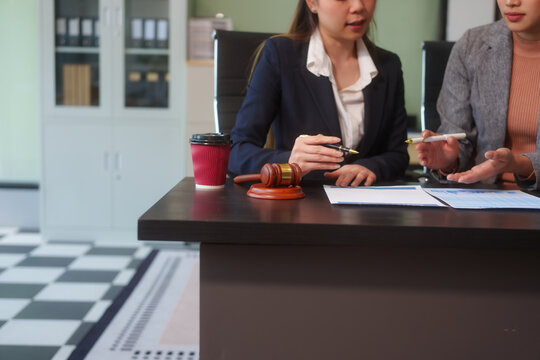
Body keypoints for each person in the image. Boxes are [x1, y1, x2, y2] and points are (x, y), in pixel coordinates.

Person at [228, 0, 409, 187]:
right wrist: (289, 161)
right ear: (313, 3)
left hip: (368, 207)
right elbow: (237, 152)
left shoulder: (389, 66)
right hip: (302, 203)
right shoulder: (280, 55)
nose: (358, 6)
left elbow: (398, 155)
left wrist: (371, 166)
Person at [416, 0, 540, 190]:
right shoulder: (471, 46)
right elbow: (458, 137)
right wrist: (449, 161)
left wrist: (521, 164)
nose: (511, 2)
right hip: (482, 196)